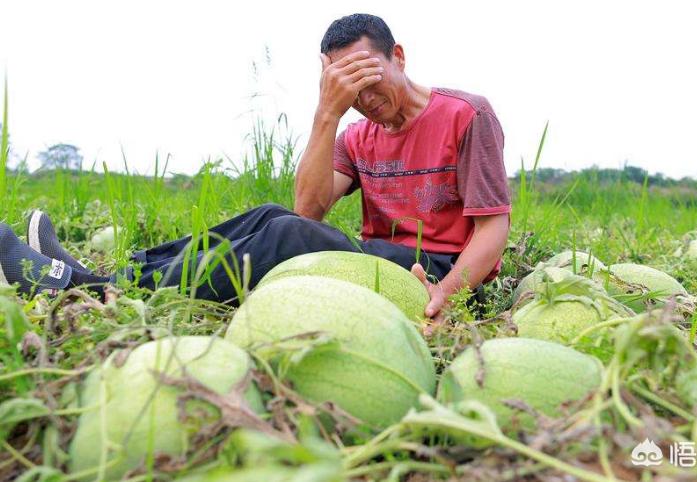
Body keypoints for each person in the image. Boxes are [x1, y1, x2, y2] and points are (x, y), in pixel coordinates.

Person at [0, 13, 511, 319]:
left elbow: (493, 229)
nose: (365, 97)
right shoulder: (356, 134)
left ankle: (85, 288)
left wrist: (444, 296)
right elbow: (308, 208)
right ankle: (104, 279)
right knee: (271, 215)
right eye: (348, 87)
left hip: (434, 271)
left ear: (398, 56)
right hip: (379, 259)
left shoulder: (466, 114)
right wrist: (327, 113)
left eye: (369, 77)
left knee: (288, 237)